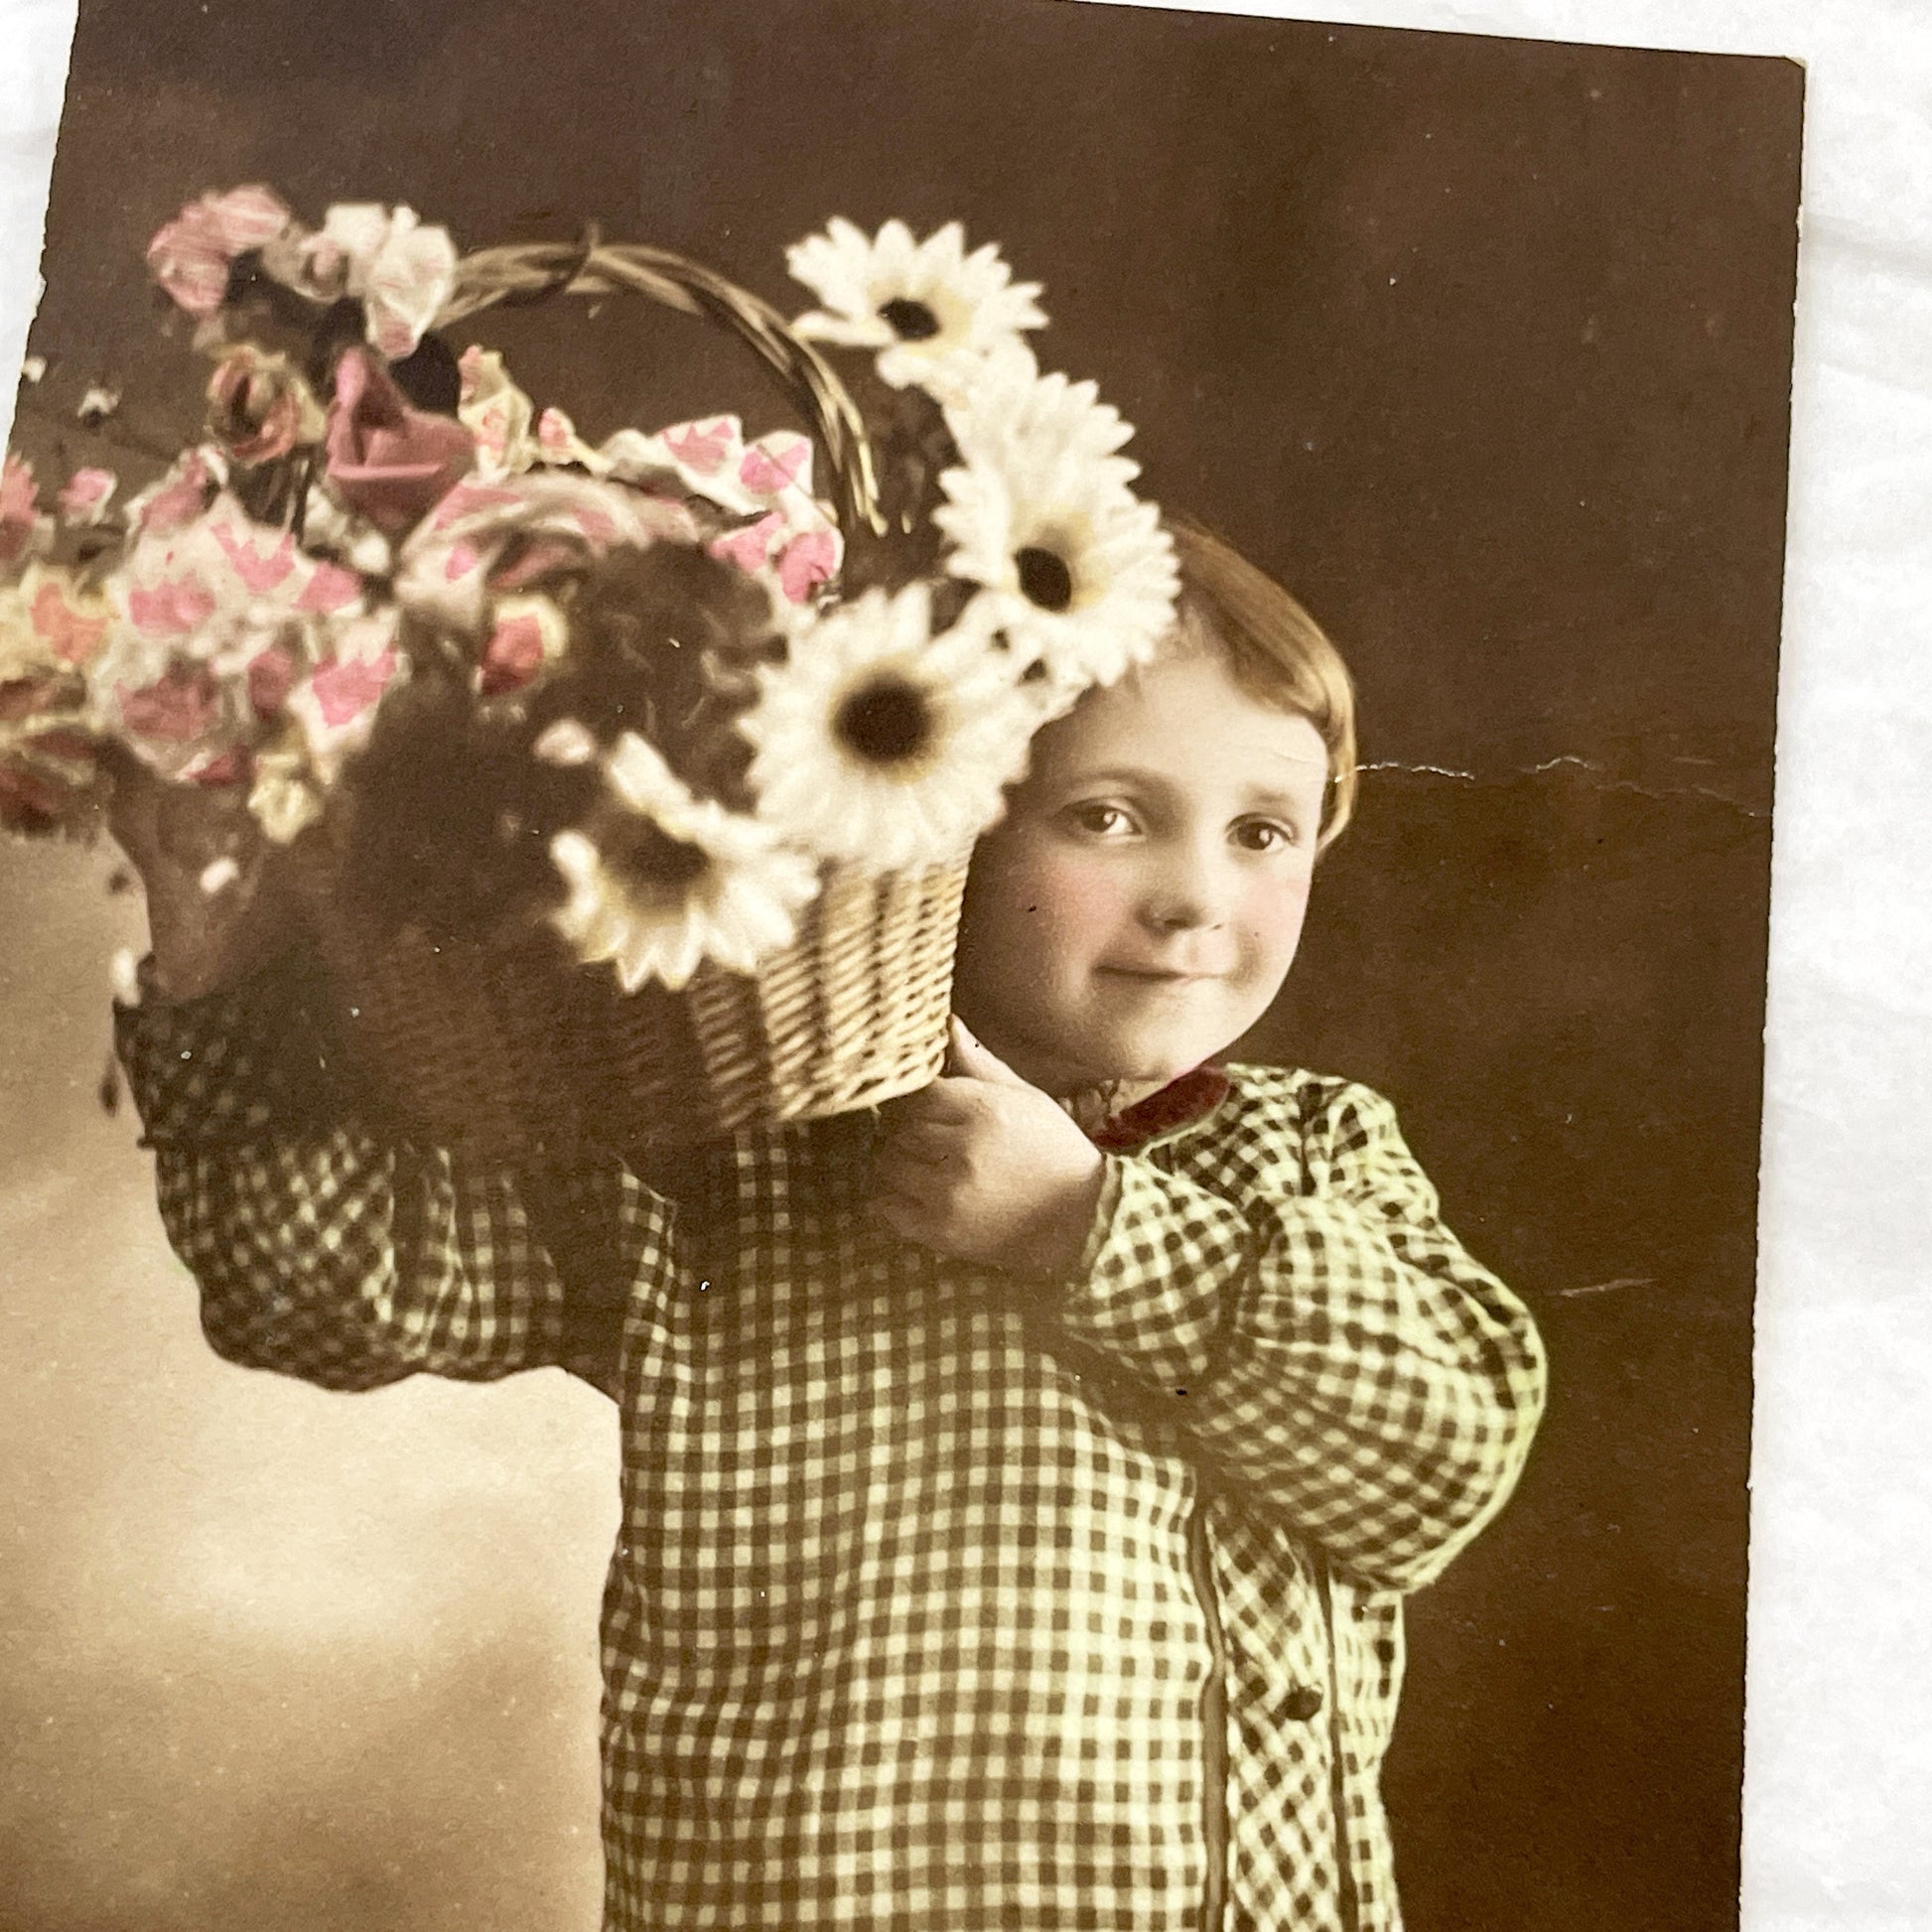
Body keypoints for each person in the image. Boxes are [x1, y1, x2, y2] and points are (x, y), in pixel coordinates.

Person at [108, 518, 1547, 1932]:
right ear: (927, 838)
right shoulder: (726, 1161)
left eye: (1262, 832)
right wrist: (207, 958)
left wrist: (1082, 1221)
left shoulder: (1310, 1153)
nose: (1195, 899)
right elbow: (318, 1286)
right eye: (1107, 816)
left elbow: (1445, 1455)